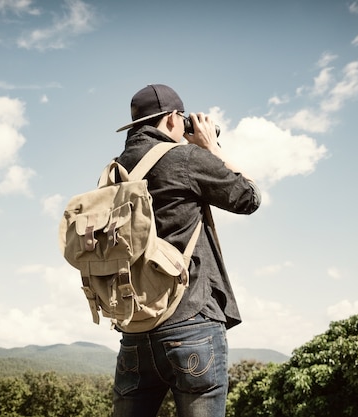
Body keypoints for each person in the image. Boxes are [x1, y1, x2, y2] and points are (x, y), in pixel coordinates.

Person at [111, 84, 261, 417]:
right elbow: (249, 197)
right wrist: (211, 147)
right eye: (182, 117)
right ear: (169, 120)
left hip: (136, 327)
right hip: (191, 320)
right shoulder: (185, 158)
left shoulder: (117, 170)